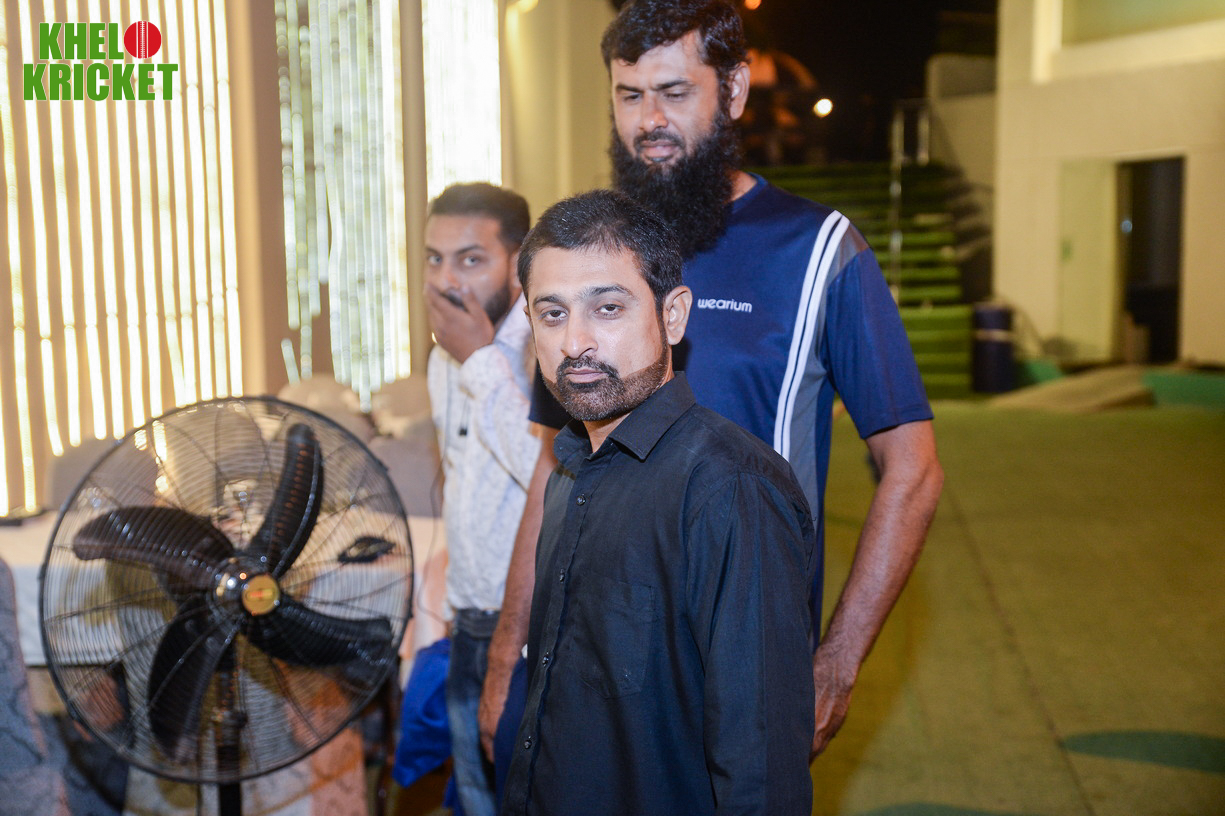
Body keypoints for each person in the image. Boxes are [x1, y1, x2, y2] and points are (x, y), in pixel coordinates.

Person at [481, 0, 944, 768]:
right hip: (590, 660)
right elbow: (549, 466)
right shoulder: (587, 254)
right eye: (630, 95)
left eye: (674, 92)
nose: (649, 121)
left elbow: (913, 470)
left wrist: (835, 662)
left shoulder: (819, 249)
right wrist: (507, 653)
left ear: (733, 90)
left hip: (738, 663)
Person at [501, 189, 817, 815]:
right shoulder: (569, 473)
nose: (576, 342)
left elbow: (760, 770)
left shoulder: (731, 489)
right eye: (552, 314)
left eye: (608, 308)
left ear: (673, 316)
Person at [422, 182, 540, 816]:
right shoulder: (445, 354)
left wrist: (479, 361)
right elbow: (462, 480)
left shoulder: (549, 345)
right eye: (434, 258)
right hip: (467, 616)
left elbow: (554, 478)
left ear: (518, 265)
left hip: (529, 627)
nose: (447, 280)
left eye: (471, 259)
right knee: (473, 796)